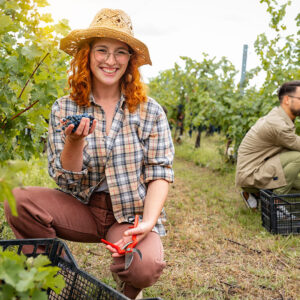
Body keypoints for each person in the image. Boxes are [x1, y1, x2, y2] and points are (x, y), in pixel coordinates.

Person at [4, 8, 174, 299]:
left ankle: (127, 288)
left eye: (120, 52)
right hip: (81, 208)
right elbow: (66, 181)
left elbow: (160, 172)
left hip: (128, 214)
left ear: (130, 60)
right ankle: (53, 277)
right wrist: (74, 142)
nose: (110, 60)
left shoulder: (150, 111)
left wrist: (147, 222)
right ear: (88, 55)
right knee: (18, 201)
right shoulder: (65, 107)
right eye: (102, 50)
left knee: (146, 266)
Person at [235, 80, 300, 209]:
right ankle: (275, 206)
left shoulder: (279, 116)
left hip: (257, 168)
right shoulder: (278, 125)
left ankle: (258, 194)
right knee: (298, 157)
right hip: (251, 174)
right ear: (287, 100)